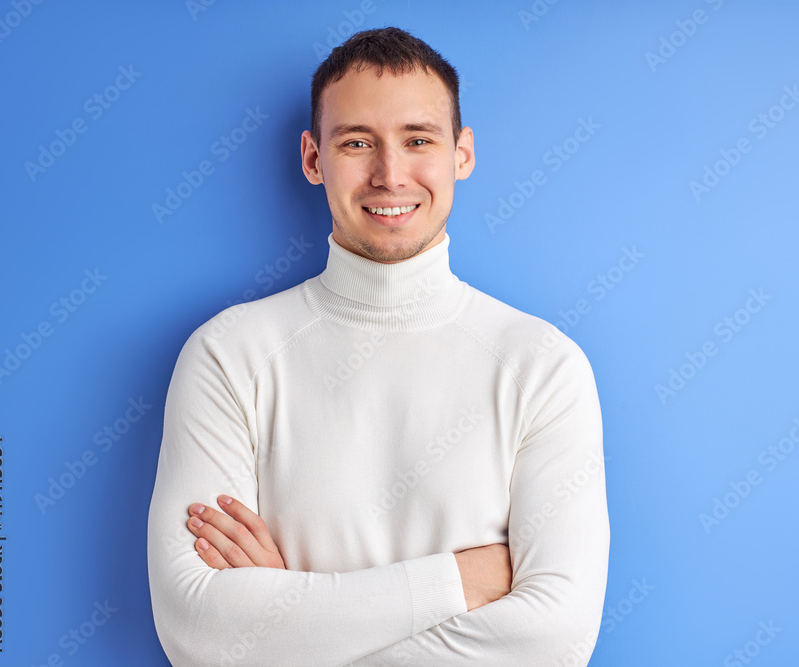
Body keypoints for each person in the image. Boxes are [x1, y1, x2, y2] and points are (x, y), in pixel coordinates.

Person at [146, 26, 609, 666]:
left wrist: (289, 619)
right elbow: (201, 634)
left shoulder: (542, 366)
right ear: (313, 159)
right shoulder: (229, 355)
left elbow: (554, 644)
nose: (390, 174)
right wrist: (463, 580)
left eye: (418, 140)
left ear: (462, 154)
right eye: (357, 143)